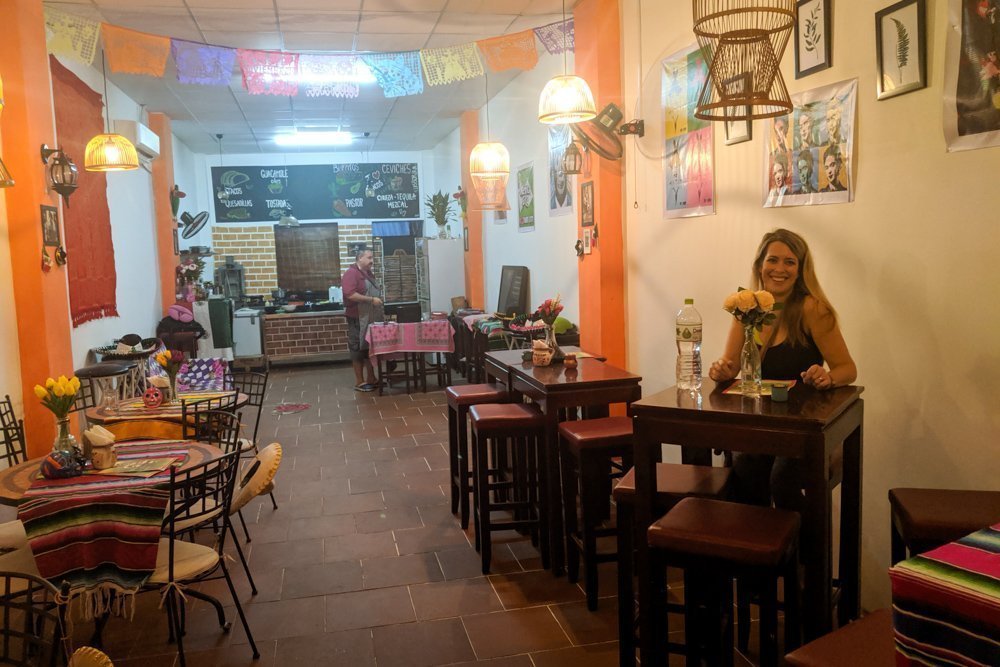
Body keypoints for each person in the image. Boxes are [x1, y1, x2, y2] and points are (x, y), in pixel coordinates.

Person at [708, 229, 857, 509]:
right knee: (745, 472)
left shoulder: (813, 308)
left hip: (801, 428)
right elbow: (731, 366)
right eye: (773, 260)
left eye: (790, 262)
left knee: (782, 479)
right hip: (760, 423)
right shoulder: (746, 307)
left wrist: (827, 377)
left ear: (801, 270)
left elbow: (848, 369)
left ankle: (798, 549)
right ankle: (758, 548)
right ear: (760, 266)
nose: (780, 269)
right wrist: (721, 371)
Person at [342, 246, 383, 392]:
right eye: (369, 258)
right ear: (360, 258)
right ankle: (359, 381)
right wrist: (371, 299)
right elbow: (350, 294)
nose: (372, 261)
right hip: (357, 318)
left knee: (368, 348)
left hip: (370, 318)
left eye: (372, 258)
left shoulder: (368, 273)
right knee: (357, 348)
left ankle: (371, 378)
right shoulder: (351, 273)